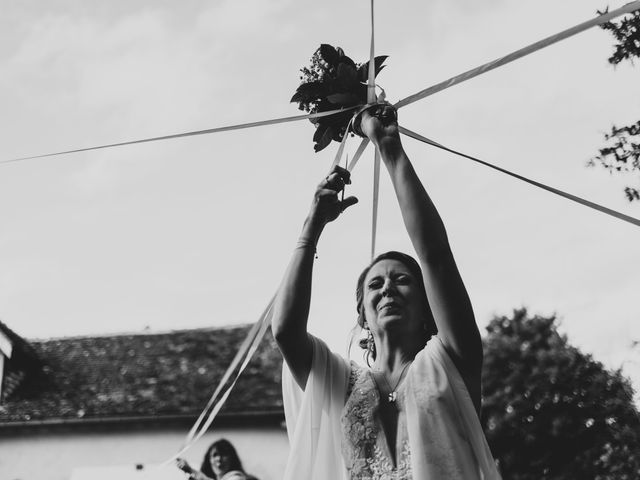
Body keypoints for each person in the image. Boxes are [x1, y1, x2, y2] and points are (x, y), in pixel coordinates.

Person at [272, 104, 502, 479]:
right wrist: (312, 226)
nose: (388, 288)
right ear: (362, 314)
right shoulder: (341, 384)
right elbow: (285, 331)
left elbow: (436, 257)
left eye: (402, 280)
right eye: (375, 284)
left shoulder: (452, 359)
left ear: (429, 306)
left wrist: (389, 147)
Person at [176, 438, 258, 480]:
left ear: (232, 458)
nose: (219, 459)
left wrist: (191, 471)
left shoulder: (238, 478)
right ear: (209, 460)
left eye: (224, 454)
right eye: (215, 455)